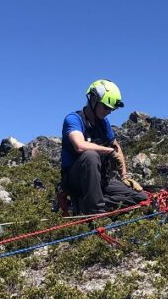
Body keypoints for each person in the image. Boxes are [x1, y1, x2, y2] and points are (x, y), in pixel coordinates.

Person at [61, 79, 147, 215]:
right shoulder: (74, 119)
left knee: (141, 197)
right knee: (91, 155)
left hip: (99, 179)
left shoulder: (103, 123)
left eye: (111, 109)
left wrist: (124, 176)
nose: (109, 112)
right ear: (93, 99)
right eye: (106, 107)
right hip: (75, 181)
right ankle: (96, 212)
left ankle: (85, 204)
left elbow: (116, 147)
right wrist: (108, 151)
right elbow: (79, 146)